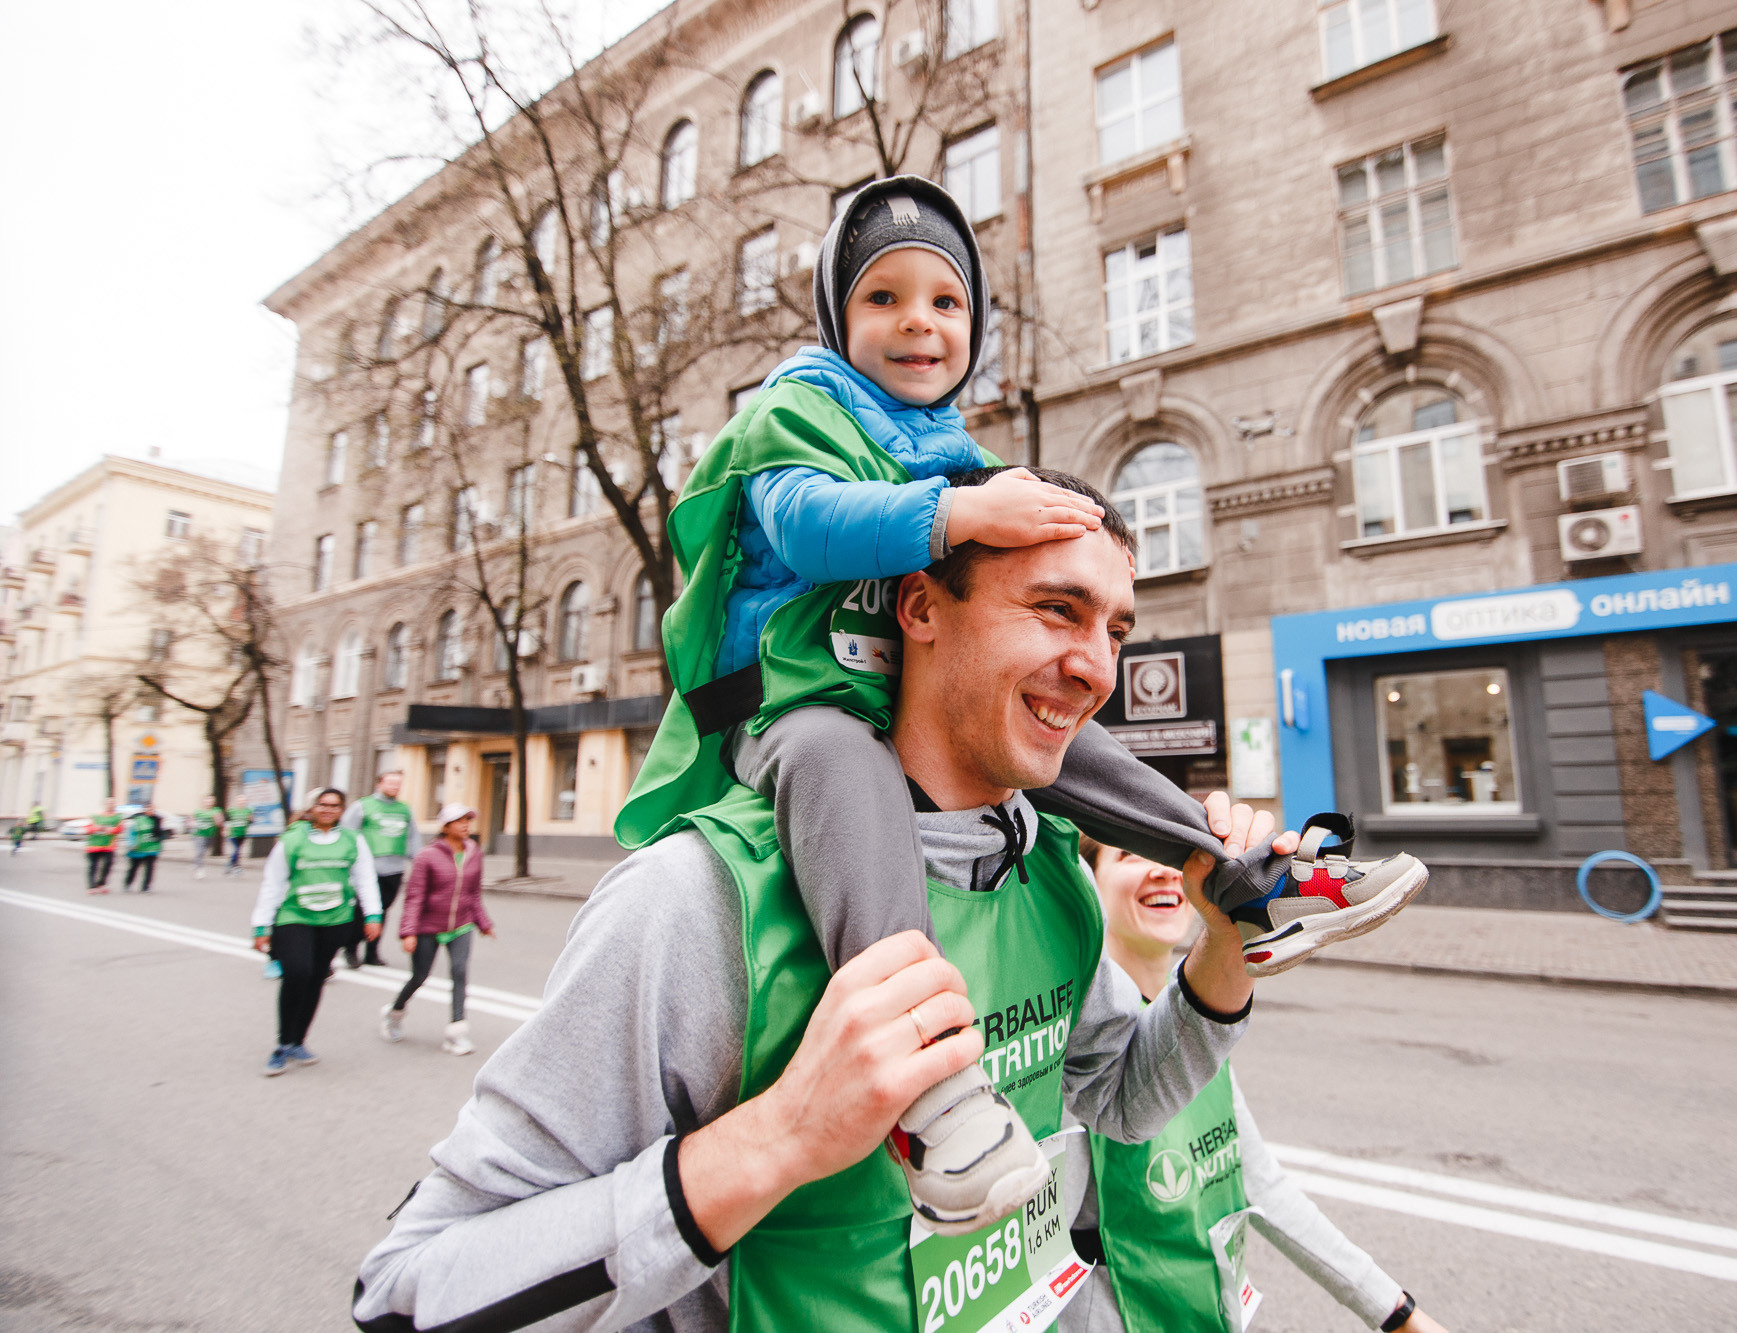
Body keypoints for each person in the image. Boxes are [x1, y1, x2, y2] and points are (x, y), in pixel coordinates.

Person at [617, 174, 1428, 1232]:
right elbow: (813, 526)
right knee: (842, 761)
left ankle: (1238, 880)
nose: (918, 320)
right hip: (788, 701)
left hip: (870, 685)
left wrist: (1048, 517)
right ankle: (928, 1085)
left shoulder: (1034, 857)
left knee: (1065, 740)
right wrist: (961, 511)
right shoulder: (797, 410)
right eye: (883, 298)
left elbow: (1123, 1096)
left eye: (945, 301)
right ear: (836, 318)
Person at [354, 467, 1295, 1330]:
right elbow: (408, 1289)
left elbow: (1120, 1097)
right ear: (921, 606)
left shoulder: (1045, 865)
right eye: (1058, 610)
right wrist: (780, 1136)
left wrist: (1222, 950)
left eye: (1115, 629)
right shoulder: (697, 898)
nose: (1098, 668)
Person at [1065, 838, 1450, 1333]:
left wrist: (1397, 1313)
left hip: (1203, 1310)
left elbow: (1262, 1183)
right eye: (1129, 856)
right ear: (1088, 885)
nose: (1161, 872)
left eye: (1168, 860)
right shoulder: (1075, 1047)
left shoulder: (1194, 1032)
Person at [249, 787, 382, 1076]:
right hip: (294, 916)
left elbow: (365, 879)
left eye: (335, 805)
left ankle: (299, 1041)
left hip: (335, 919)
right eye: (323, 805)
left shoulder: (352, 840)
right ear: (312, 808)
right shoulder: (292, 839)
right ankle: (283, 1044)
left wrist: (373, 915)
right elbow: (272, 884)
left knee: (316, 977)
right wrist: (262, 925)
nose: (328, 810)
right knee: (297, 972)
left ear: (342, 810)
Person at [379, 802, 493, 1056]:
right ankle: (394, 1013)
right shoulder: (427, 856)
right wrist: (408, 932)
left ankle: (456, 1033)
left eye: (467, 820)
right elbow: (415, 897)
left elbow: (473, 894)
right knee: (420, 976)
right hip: (428, 926)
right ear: (445, 826)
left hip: (461, 925)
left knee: (459, 972)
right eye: (459, 821)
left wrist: (483, 923)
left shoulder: (474, 852)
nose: (465, 825)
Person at [341, 770, 416, 968]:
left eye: (398, 783)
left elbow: (413, 838)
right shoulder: (363, 806)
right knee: (362, 910)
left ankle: (372, 952)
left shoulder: (405, 810)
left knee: (383, 910)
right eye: (391, 782)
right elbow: (347, 833)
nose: (395, 786)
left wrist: (418, 861)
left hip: (395, 869)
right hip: (367, 869)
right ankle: (351, 949)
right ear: (379, 784)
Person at [122, 804, 164, 892]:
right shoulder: (138, 819)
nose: (151, 811)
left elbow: (161, 833)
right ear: (144, 810)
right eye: (149, 809)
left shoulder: (157, 819)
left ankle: (146, 886)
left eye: (153, 809)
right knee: (134, 868)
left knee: (150, 868)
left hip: (152, 847)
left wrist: (160, 843)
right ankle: (128, 883)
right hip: (138, 848)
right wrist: (132, 843)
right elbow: (131, 832)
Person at [83, 802, 120, 891]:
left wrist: (109, 829)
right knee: (93, 866)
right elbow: (87, 828)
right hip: (93, 845)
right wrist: (96, 828)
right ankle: (91, 886)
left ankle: (101, 884)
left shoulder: (117, 818)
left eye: (112, 805)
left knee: (107, 865)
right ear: (105, 806)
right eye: (109, 804)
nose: (110, 806)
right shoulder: (95, 816)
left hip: (108, 846)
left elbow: (120, 829)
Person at [190, 801, 222, 879]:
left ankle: (196, 864)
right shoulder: (198, 811)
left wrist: (217, 819)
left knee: (204, 851)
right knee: (199, 852)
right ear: (203, 802)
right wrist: (192, 824)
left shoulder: (216, 811)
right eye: (207, 801)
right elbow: (191, 820)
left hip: (210, 835)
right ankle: (199, 870)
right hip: (198, 834)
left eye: (210, 801)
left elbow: (220, 823)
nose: (208, 803)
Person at [224, 798, 252, 876]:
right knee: (236, 850)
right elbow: (227, 821)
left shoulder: (247, 811)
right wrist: (226, 830)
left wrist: (251, 819)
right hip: (233, 834)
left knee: (238, 851)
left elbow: (250, 821)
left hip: (242, 834)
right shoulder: (232, 811)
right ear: (237, 802)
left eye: (243, 801)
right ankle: (236, 867)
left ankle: (229, 864)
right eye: (240, 801)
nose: (242, 803)